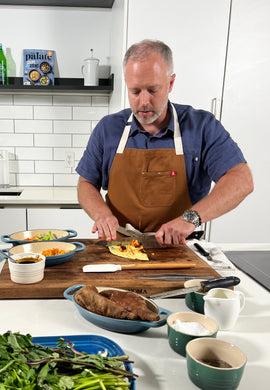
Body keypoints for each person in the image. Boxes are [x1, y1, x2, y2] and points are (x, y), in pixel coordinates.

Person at [76, 39, 253, 245]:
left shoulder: (202, 127)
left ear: (170, 83)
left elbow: (241, 180)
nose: (143, 102)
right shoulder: (108, 129)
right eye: (135, 91)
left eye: (152, 90)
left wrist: (190, 219)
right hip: (119, 247)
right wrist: (101, 214)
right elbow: (86, 183)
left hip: (180, 249)